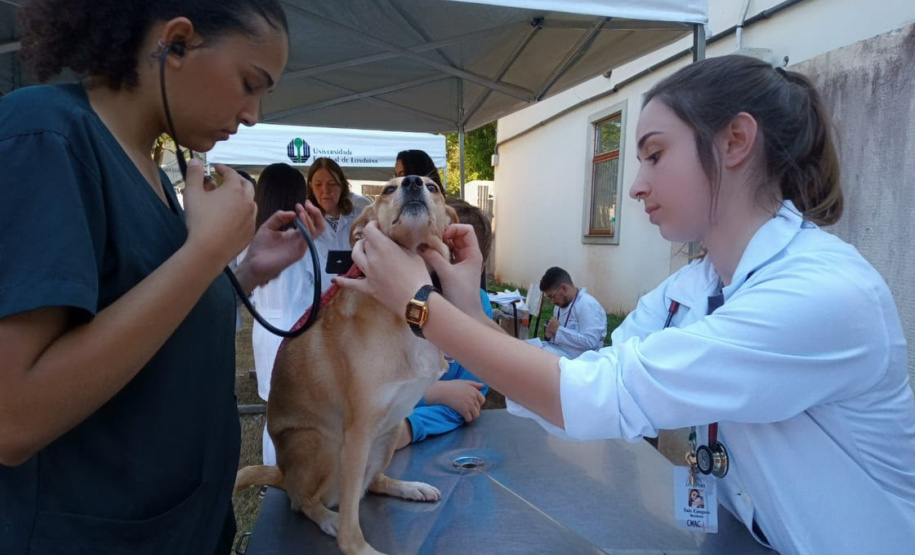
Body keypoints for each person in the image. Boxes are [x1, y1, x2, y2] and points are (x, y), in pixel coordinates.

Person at [337, 55, 915, 554]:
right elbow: (579, 377)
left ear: (735, 142)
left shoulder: (822, 295)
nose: (635, 185)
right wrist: (468, 305)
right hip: (749, 532)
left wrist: (420, 304)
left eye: (654, 155)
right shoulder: (693, 287)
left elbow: (600, 394)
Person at [0, 2, 321, 554]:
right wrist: (206, 251)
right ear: (177, 43)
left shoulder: (152, 171)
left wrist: (245, 271)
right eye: (250, 84)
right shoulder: (47, 135)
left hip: (182, 528)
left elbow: (150, 323)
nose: (253, 115)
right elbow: (14, 417)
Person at [241, 163, 325, 467]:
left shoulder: (250, 235)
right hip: (296, 330)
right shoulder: (300, 238)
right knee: (296, 409)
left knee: (275, 410)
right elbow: (318, 283)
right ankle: (283, 472)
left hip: (266, 330)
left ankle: (273, 474)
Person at [394, 198, 493, 449]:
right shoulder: (393, 300)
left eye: (452, 257)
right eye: (430, 251)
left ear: (478, 268)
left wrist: (409, 427)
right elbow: (368, 393)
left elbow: (469, 400)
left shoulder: (480, 306)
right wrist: (432, 393)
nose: (439, 266)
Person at [306, 157, 366, 291]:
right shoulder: (305, 222)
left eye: (332, 183)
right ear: (311, 186)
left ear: (342, 185)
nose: (325, 190)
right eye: (318, 184)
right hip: (321, 296)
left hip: (357, 293)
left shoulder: (360, 215)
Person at [539, 267, 608, 358]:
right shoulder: (559, 305)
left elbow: (591, 342)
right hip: (559, 352)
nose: (552, 302)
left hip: (581, 360)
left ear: (564, 288)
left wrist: (558, 330)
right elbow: (559, 337)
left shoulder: (587, 304)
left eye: (552, 296)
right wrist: (550, 335)